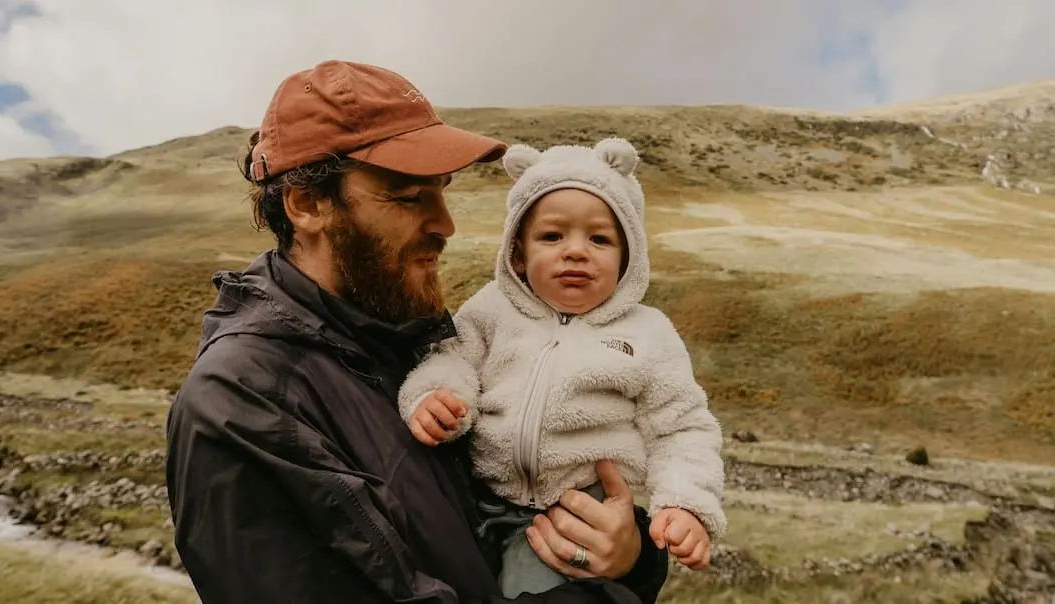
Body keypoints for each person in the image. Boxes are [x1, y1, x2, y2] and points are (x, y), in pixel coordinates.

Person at [164, 59, 671, 604]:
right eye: (409, 197)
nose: (445, 224)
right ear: (307, 204)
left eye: (441, 191)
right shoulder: (240, 405)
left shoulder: (408, 343)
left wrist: (628, 555)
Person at [396, 138, 727, 597]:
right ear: (517, 253)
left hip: (580, 513)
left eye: (599, 238)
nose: (575, 251)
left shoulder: (649, 334)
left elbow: (683, 427)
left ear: (628, 257)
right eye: (552, 236)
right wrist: (434, 397)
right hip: (476, 500)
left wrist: (685, 504)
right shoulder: (490, 310)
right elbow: (452, 359)